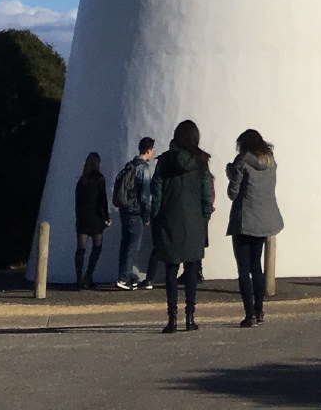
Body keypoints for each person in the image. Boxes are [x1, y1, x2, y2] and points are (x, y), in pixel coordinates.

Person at [150, 118, 215, 334]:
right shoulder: (201, 161)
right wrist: (205, 216)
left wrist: (156, 215)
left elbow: (156, 192)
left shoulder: (164, 162)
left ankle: (172, 318)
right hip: (194, 221)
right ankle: (190, 316)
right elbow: (206, 193)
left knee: (170, 269)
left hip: (169, 219)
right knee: (191, 269)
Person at [226, 129, 284, 327]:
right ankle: (259, 310)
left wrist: (230, 173)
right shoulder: (271, 162)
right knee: (256, 267)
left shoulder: (242, 162)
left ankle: (249, 314)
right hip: (263, 220)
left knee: (243, 269)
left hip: (244, 221)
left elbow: (233, 193)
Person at [112, 134, 158, 289]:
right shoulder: (143, 169)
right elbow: (145, 196)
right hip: (136, 212)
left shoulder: (130, 164)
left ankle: (124, 274)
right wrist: (147, 215)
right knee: (133, 246)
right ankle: (124, 278)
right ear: (149, 150)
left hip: (124, 209)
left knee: (125, 244)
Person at [73, 150, 111, 289]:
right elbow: (103, 199)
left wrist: (78, 217)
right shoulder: (99, 179)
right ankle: (88, 276)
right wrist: (106, 217)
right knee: (97, 248)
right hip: (95, 218)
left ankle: (78, 279)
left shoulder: (82, 180)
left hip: (82, 219)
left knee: (81, 249)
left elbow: (77, 201)